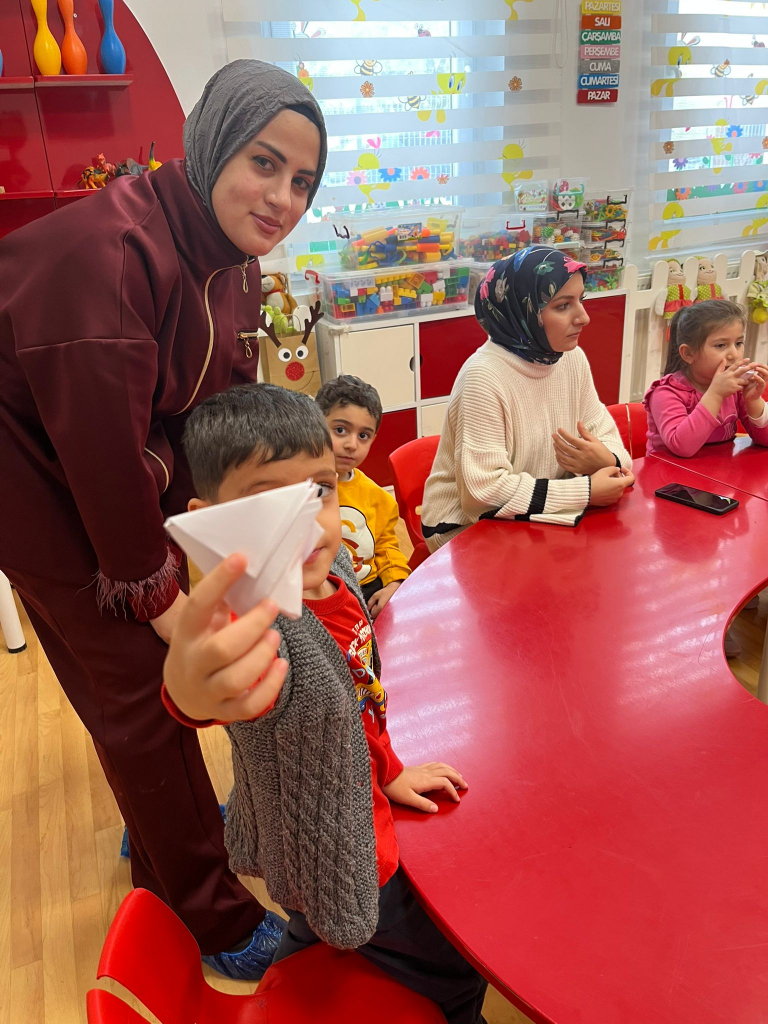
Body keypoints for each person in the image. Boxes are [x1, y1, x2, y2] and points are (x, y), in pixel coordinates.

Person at [0, 59, 327, 978]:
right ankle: (208, 914)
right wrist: (163, 600)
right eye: (265, 163)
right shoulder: (109, 257)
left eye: (303, 180)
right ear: (215, 143)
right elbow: (103, 459)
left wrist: (249, 534)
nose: (284, 198)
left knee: (149, 685)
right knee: (140, 686)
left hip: (105, 451)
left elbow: (219, 411)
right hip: (29, 469)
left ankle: (159, 826)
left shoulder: (233, 258)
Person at [163, 382, 488, 1023]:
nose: (308, 526)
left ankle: (291, 972)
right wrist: (190, 691)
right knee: (452, 965)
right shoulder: (261, 624)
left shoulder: (335, 577)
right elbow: (213, 693)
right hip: (337, 847)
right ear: (210, 522)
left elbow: (360, 703)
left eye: (318, 492)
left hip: (340, 811)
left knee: (312, 921)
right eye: (268, 507)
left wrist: (388, 773)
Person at [421, 248, 634, 550]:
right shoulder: (484, 377)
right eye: (563, 306)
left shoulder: (571, 359)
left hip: (536, 509)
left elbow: (613, 446)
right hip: (467, 527)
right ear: (522, 311)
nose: (584, 317)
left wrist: (606, 460)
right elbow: (482, 496)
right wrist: (585, 490)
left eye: (581, 300)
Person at [315, 375, 410, 619]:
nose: (351, 444)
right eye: (340, 430)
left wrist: (394, 583)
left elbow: (386, 547)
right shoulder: (298, 488)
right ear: (315, 425)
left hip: (367, 588)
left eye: (363, 436)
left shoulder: (378, 498)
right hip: (319, 593)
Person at [644, 299, 768, 457]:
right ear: (688, 354)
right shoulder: (665, 393)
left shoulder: (735, 388)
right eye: (721, 345)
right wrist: (715, 394)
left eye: (738, 343)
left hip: (720, 468)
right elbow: (683, 447)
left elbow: (765, 440)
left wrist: (753, 401)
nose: (734, 354)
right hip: (669, 470)